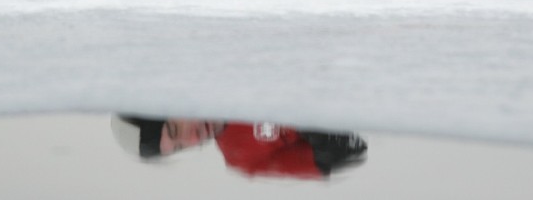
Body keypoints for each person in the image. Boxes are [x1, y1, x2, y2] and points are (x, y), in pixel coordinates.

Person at [110, 116, 367, 178]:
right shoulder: (244, 158)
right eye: (180, 148)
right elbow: (344, 154)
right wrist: (323, 138)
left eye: (175, 129)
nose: (192, 140)